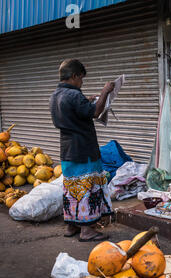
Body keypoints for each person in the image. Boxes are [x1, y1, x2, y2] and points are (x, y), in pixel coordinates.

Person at [50, 58, 115, 241]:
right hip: (83, 150)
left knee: (71, 188)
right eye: (81, 79)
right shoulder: (74, 95)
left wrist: (87, 100)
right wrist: (104, 92)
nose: (81, 83)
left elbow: (71, 112)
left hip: (67, 150)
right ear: (75, 76)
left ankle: (71, 226)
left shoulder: (55, 95)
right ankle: (87, 230)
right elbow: (95, 113)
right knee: (87, 188)